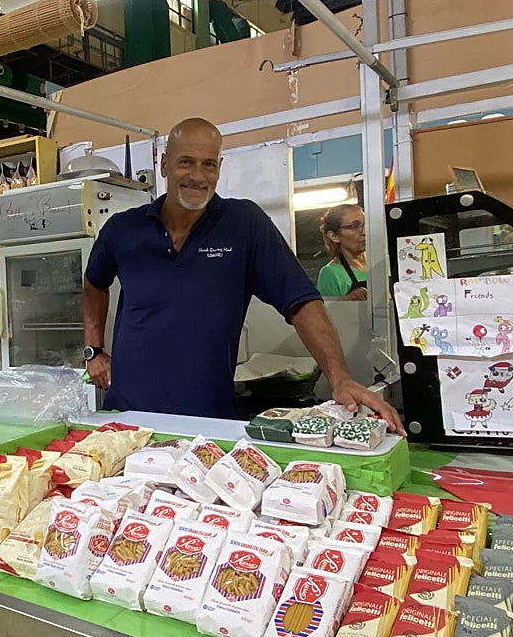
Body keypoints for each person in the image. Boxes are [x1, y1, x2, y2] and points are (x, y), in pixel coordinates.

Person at [82, 118, 402, 433]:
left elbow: (301, 301)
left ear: (219, 168)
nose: (197, 176)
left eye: (209, 164)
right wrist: (93, 350)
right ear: (164, 164)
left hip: (208, 421)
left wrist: (340, 377)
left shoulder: (243, 225)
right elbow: (94, 282)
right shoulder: (123, 229)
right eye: (185, 162)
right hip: (127, 416)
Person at [317, 204, 367, 300]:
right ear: (334, 236)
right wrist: (347, 302)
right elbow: (328, 313)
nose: (364, 232)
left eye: (366, 224)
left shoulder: (385, 262)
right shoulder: (330, 273)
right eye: (355, 226)